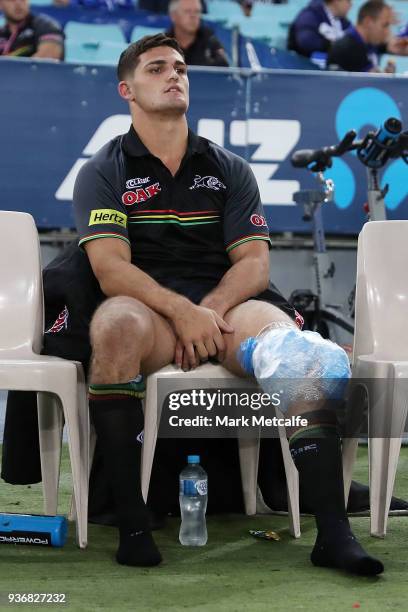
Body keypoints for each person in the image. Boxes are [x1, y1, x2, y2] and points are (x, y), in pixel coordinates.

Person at [67, 32, 386, 575]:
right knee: (114, 325)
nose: (175, 75)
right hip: (151, 316)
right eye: (157, 68)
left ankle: (334, 533)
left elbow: (255, 266)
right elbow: (110, 268)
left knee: (300, 355)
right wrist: (182, 313)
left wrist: (207, 312)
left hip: (228, 309)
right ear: (127, 89)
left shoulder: (229, 168)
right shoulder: (105, 168)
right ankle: (133, 523)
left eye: (181, 68)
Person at [327, 0, 408, 72]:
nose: (387, 32)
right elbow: (371, 83)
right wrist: (386, 75)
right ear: (368, 22)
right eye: (385, 25)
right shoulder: (348, 48)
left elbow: (394, 47)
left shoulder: (369, 41)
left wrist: (395, 47)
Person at [166, 0, 229, 66]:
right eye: (187, 11)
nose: (193, 16)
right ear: (173, 16)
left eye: (197, 12)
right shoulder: (161, 45)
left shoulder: (210, 42)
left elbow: (224, 70)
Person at [0, 0, 64, 59]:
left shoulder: (46, 25)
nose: (18, 3)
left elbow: (48, 59)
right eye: (12, 0)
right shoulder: (2, 33)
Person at [287, 0, 352, 58]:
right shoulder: (310, 15)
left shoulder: (343, 22)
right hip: (306, 66)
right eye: (348, 1)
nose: (351, 5)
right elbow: (305, 40)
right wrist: (330, 44)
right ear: (336, 1)